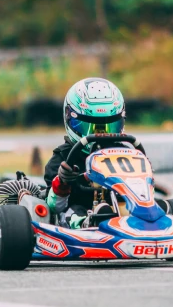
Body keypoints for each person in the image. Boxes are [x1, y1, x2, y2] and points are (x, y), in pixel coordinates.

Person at [44, 77, 137, 229]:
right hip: (78, 215)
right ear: (71, 119)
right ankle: (89, 223)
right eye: (90, 126)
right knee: (72, 213)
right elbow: (55, 208)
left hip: (123, 209)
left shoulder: (127, 153)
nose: (99, 134)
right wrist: (62, 182)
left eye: (108, 125)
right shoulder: (62, 158)